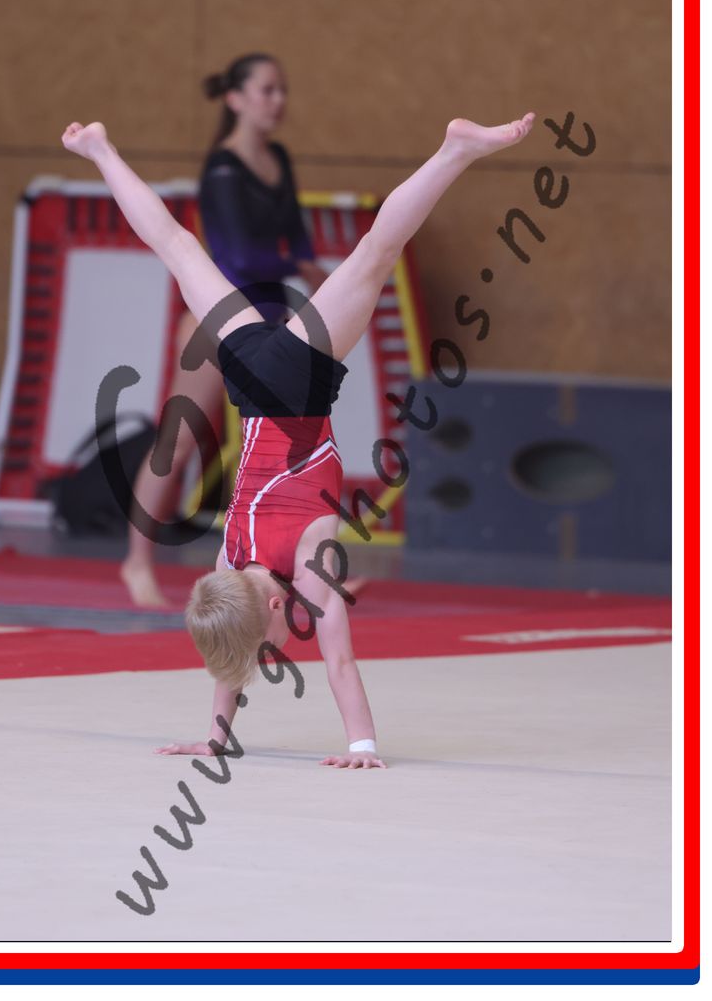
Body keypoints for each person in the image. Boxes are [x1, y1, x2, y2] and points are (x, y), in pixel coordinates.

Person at [62, 109, 535, 769]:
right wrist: (216, 737)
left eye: (273, 642)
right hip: (248, 377)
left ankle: (454, 151)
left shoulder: (311, 563)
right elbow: (230, 641)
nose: (275, 651)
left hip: (295, 380)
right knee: (178, 247)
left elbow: (338, 659)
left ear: (279, 602)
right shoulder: (227, 567)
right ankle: (100, 150)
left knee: (375, 252)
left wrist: (362, 746)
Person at [122, 54, 327, 609]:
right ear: (235, 99)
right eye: (266, 90)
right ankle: (137, 561)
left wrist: (314, 271)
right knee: (179, 440)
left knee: (290, 448)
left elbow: (296, 235)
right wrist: (300, 266)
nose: (278, 100)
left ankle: (298, 574)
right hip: (218, 320)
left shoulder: (278, 159)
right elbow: (239, 254)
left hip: (268, 321)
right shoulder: (222, 171)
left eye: (282, 89)